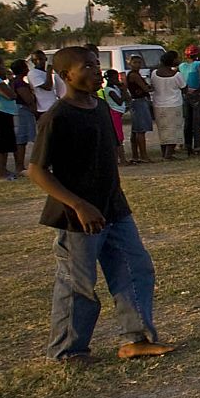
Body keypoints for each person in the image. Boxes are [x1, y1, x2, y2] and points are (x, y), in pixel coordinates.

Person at [30, 47, 174, 364]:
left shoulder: (98, 105)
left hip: (114, 209)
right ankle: (67, 351)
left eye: (97, 65)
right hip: (78, 217)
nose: (96, 71)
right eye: (87, 66)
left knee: (135, 269)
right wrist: (78, 204)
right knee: (77, 284)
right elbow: (37, 170)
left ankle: (135, 339)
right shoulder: (58, 116)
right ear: (65, 75)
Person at [0, 56, 24, 180]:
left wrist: (10, 81)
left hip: (6, 113)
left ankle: (4, 171)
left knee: (5, 145)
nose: (4, 69)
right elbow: (10, 95)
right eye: (2, 66)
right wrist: (8, 85)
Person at [150, 51, 186, 161]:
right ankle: (168, 154)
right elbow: (184, 87)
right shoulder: (176, 75)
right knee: (174, 130)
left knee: (163, 129)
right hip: (174, 104)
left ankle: (164, 152)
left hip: (158, 104)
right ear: (173, 60)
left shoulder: (154, 73)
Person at [123, 54, 153, 165]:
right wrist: (150, 87)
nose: (137, 65)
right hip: (139, 102)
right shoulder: (134, 75)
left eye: (139, 62)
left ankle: (136, 155)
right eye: (135, 62)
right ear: (129, 63)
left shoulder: (131, 75)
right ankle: (143, 155)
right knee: (140, 130)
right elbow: (145, 88)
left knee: (135, 131)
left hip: (135, 102)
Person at [178, 44, 200, 155]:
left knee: (188, 122)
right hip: (197, 95)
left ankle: (188, 146)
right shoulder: (199, 64)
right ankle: (198, 147)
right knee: (197, 123)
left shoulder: (181, 66)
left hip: (185, 95)